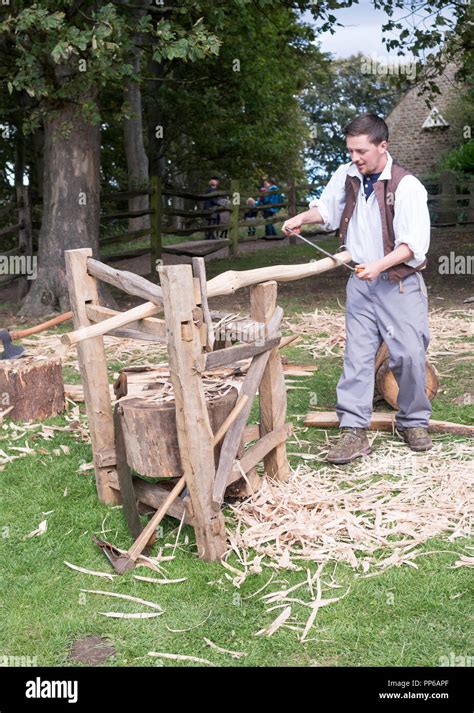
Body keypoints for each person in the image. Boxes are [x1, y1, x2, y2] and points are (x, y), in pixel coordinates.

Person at [283, 112, 432, 463]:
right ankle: (353, 430)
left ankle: (412, 421)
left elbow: (414, 246)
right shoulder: (346, 174)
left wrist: (378, 265)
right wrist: (301, 219)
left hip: (399, 284)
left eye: (361, 151)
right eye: (350, 150)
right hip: (361, 285)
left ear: (383, 146)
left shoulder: (407, 186)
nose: (354, 157)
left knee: (409, 354)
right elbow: (328, 210)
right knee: (357, 357)